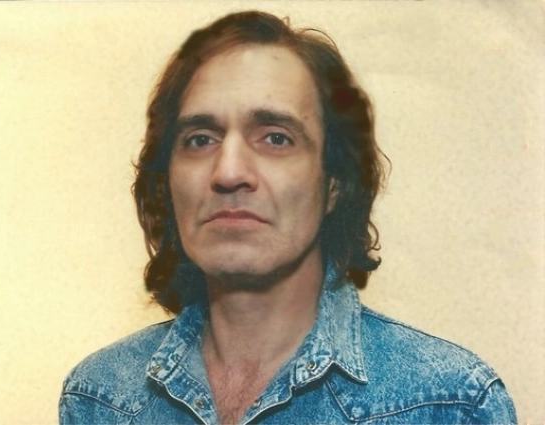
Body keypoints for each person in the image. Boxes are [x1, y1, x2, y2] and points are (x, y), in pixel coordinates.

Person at [59, 11, 516, 424]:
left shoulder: (449, 404)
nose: (229, 172)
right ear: (167, 181)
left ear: (334, 183)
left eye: (275, 138)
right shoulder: (101, 399)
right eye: (200, 139)